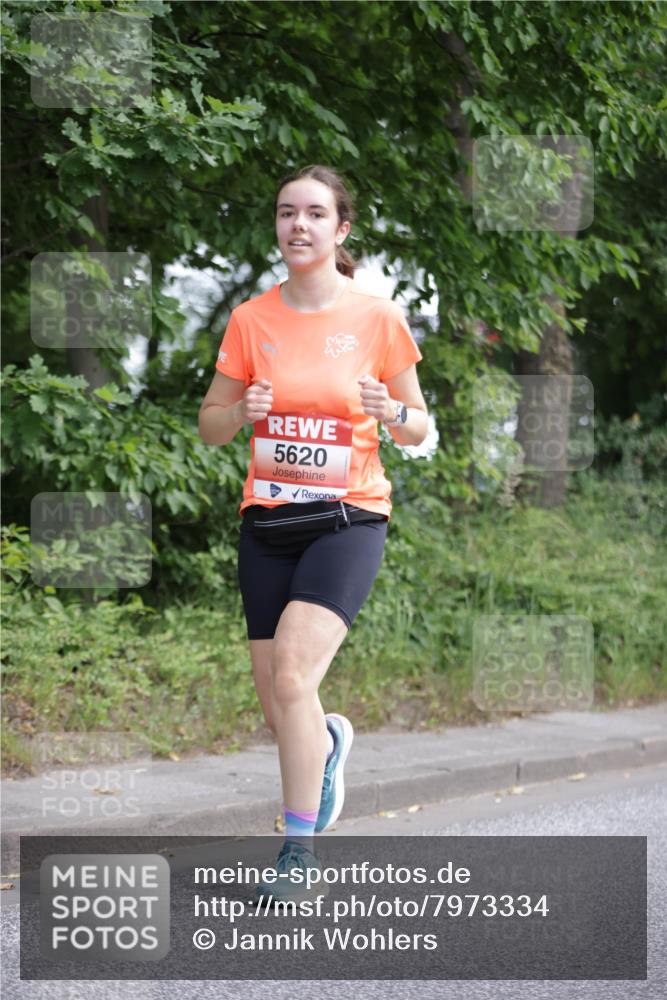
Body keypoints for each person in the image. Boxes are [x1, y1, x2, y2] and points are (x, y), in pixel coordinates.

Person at [198, 164, 428, 902]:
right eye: (285, 212)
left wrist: (389, 413)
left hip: (347, 517)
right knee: (278, 702)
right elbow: (209, 428)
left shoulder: (376, 318)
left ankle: (297, 851)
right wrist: (244, 411)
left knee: (294, 674)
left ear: (340, 229)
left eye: (314, 214)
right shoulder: (250, 320)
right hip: (266, 521)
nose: (297, 225)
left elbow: (420, 426)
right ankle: (326, 744)